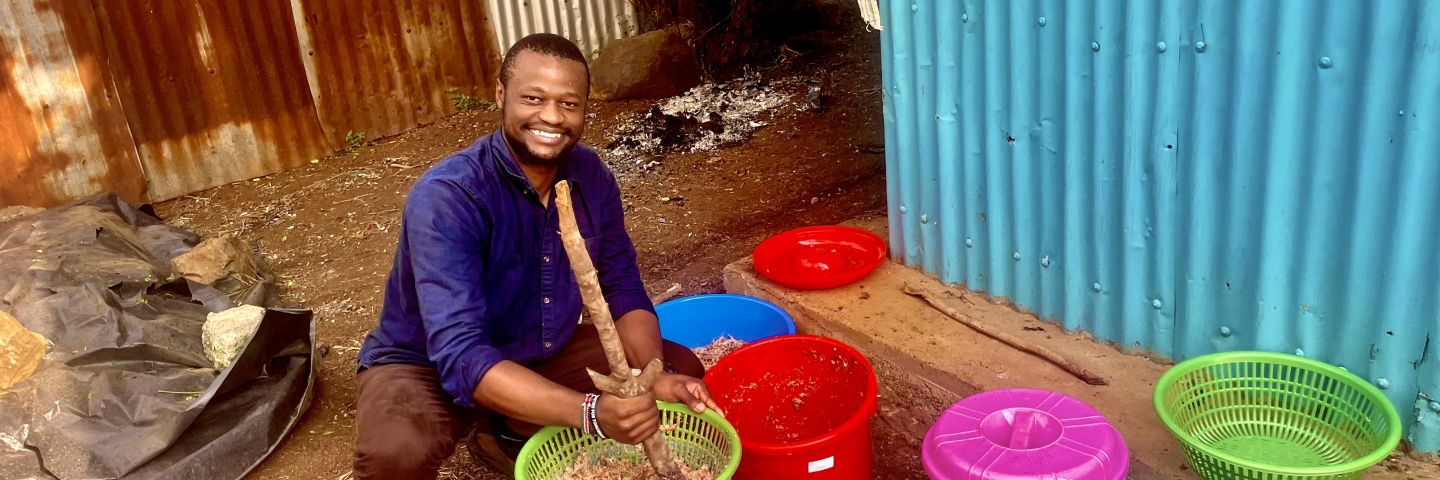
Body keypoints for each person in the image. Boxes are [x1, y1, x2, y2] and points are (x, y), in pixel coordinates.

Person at [351, 33, 720, 479]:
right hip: (425, 362)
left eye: (569, 103)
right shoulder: (449, 196)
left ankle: (504, 432)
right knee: (396, 454)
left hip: (538, 345)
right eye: (533, 98)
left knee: (678, 371)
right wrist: (591, 411)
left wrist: (647, 378)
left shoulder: (591, 177)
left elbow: (620, 286)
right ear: (501, 94)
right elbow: (461, 352)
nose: (551, 116)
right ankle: (518, 413)